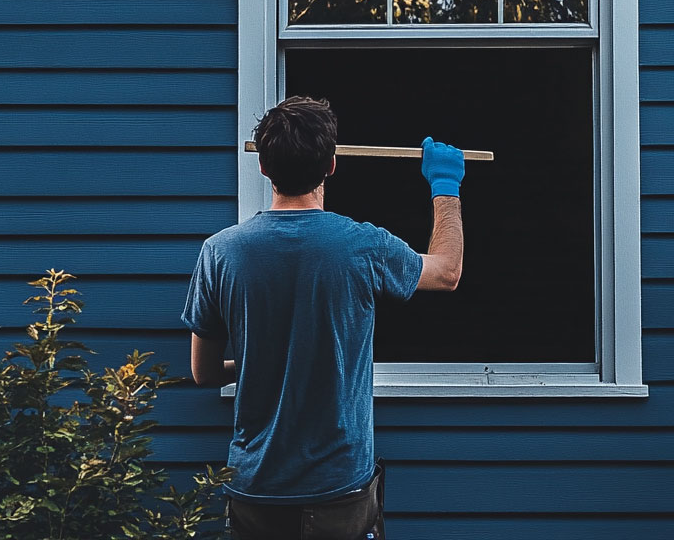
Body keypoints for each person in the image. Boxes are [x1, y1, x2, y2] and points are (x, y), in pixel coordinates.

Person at [182, 95, 464, 540]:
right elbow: (447, 273)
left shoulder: (221, 252)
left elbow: (203, 372)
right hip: (339, 490)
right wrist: (445, 186)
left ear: (263, 167)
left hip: (256, 489)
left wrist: (265, 360)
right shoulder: (363, 246)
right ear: (332, 165)